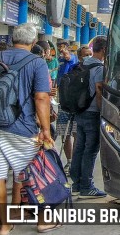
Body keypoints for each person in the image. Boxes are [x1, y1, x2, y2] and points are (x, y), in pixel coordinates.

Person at [0, 23, 60, 234]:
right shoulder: (37, 63)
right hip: (22, 127)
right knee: (37, 172)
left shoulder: (0, 57)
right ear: (33, 42)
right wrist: (45, 129)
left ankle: (4, 226)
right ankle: (43, 220)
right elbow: (41, 97)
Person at [69, 36, 107, 198]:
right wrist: (102, 111)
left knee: (79, 148)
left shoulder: (82, 64)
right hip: (92, 113)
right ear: (104, 49)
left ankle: (76, 185)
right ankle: (86, 187)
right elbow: (99, 89)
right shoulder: (99, 68)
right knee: (90, 150)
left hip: (79, 111)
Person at [55, 40, 78, 172]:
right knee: (64, 132)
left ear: (68, 48)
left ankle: (74, 162)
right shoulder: (59, 59)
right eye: (59, 47)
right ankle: (69, 161)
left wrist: (65, 53)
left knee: (75, 132)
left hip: (72, 102)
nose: (61, 50)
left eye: (63, 47)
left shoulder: (71, 58)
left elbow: (69, 57)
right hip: (62, 101)